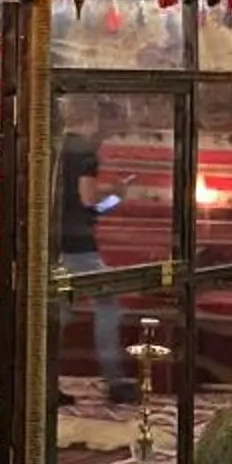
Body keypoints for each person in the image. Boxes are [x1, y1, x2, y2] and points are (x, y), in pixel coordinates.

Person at [54, 122, 136, 406]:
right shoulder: (85, 154)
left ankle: (43, 383)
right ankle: (114, 382)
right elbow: (89, 201)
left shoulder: (55, 146)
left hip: (51, 243)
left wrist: (111, 199)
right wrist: (116, 194)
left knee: (57, 314)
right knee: (108, 304)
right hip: (78, 247)